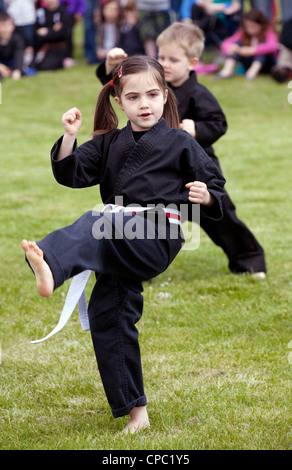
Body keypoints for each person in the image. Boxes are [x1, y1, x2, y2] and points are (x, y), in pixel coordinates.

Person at [21, 55, 226, 432]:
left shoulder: (180, 142)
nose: (143, 104)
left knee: (98, 220)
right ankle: (137, 412)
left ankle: (52, 264)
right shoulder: (109, 143)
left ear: (165, 96)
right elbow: (72, 172)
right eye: (133, 97)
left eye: (151, 94)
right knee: (110, 317)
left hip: (156, 237)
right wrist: (69, 136)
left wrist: (207, 197)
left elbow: (216, 189)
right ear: (119, 101)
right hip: (119, 239)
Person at [97, 23, 267, 276]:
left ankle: (248, 260)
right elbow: (121, 87)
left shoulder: (199, 93)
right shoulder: (148, 86)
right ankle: (135, 266)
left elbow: (219, 123)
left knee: (222, 218)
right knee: (142, 221)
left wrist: (197, 128)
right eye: (161, 56)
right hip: (155, 172)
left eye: (173, 59)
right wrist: (112, 67)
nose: (165, 63)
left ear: (192, 62)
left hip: (195, 172)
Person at [218, 8, 279, 80]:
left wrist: (252, 50)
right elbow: (226, 43)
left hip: (266, 65)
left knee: (263, 48)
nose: (250, 29)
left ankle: (252, 73)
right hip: (249, 63)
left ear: (261, 25)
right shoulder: (243, 33)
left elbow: (273, 46)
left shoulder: (268, 31)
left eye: (253, 26)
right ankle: (227, 71)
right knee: (237, 44)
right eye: (248, 26)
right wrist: (231, 48)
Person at [31, 0, 72, 70]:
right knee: (34, 65)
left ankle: (63, 61)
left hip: (59, 48)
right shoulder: (41, 13)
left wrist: (48, 31)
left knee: (46, 66)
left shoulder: (63, 13)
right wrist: (53, 30)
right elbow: (36, 33)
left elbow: (63, 33)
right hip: (44, 47)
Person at [0, 9, 25, 80]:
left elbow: (19, 55)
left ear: (12, 26)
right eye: (2, 26)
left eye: (7, 26)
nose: (5, 29)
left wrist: (17, 70)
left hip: (11, 64)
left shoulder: (17, 39)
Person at [271, 16, 292, 82]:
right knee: (285, 50)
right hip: (290, 48)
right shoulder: (289, 23)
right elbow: (285, 38)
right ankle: (282, 71)